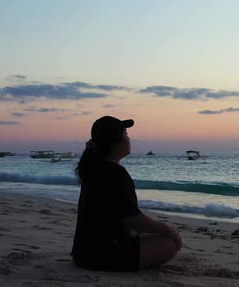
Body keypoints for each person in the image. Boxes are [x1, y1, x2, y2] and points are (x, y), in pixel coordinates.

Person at [72, 116, 181, 271]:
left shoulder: (96, 168)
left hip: (83, 252)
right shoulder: (114, 173)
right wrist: (169, 230)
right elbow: (134, 219)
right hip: (101, 255)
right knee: (169, 243)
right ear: (116, 141)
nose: (129, 138)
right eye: (126, 134)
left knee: (148, 235)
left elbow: (122, 216)